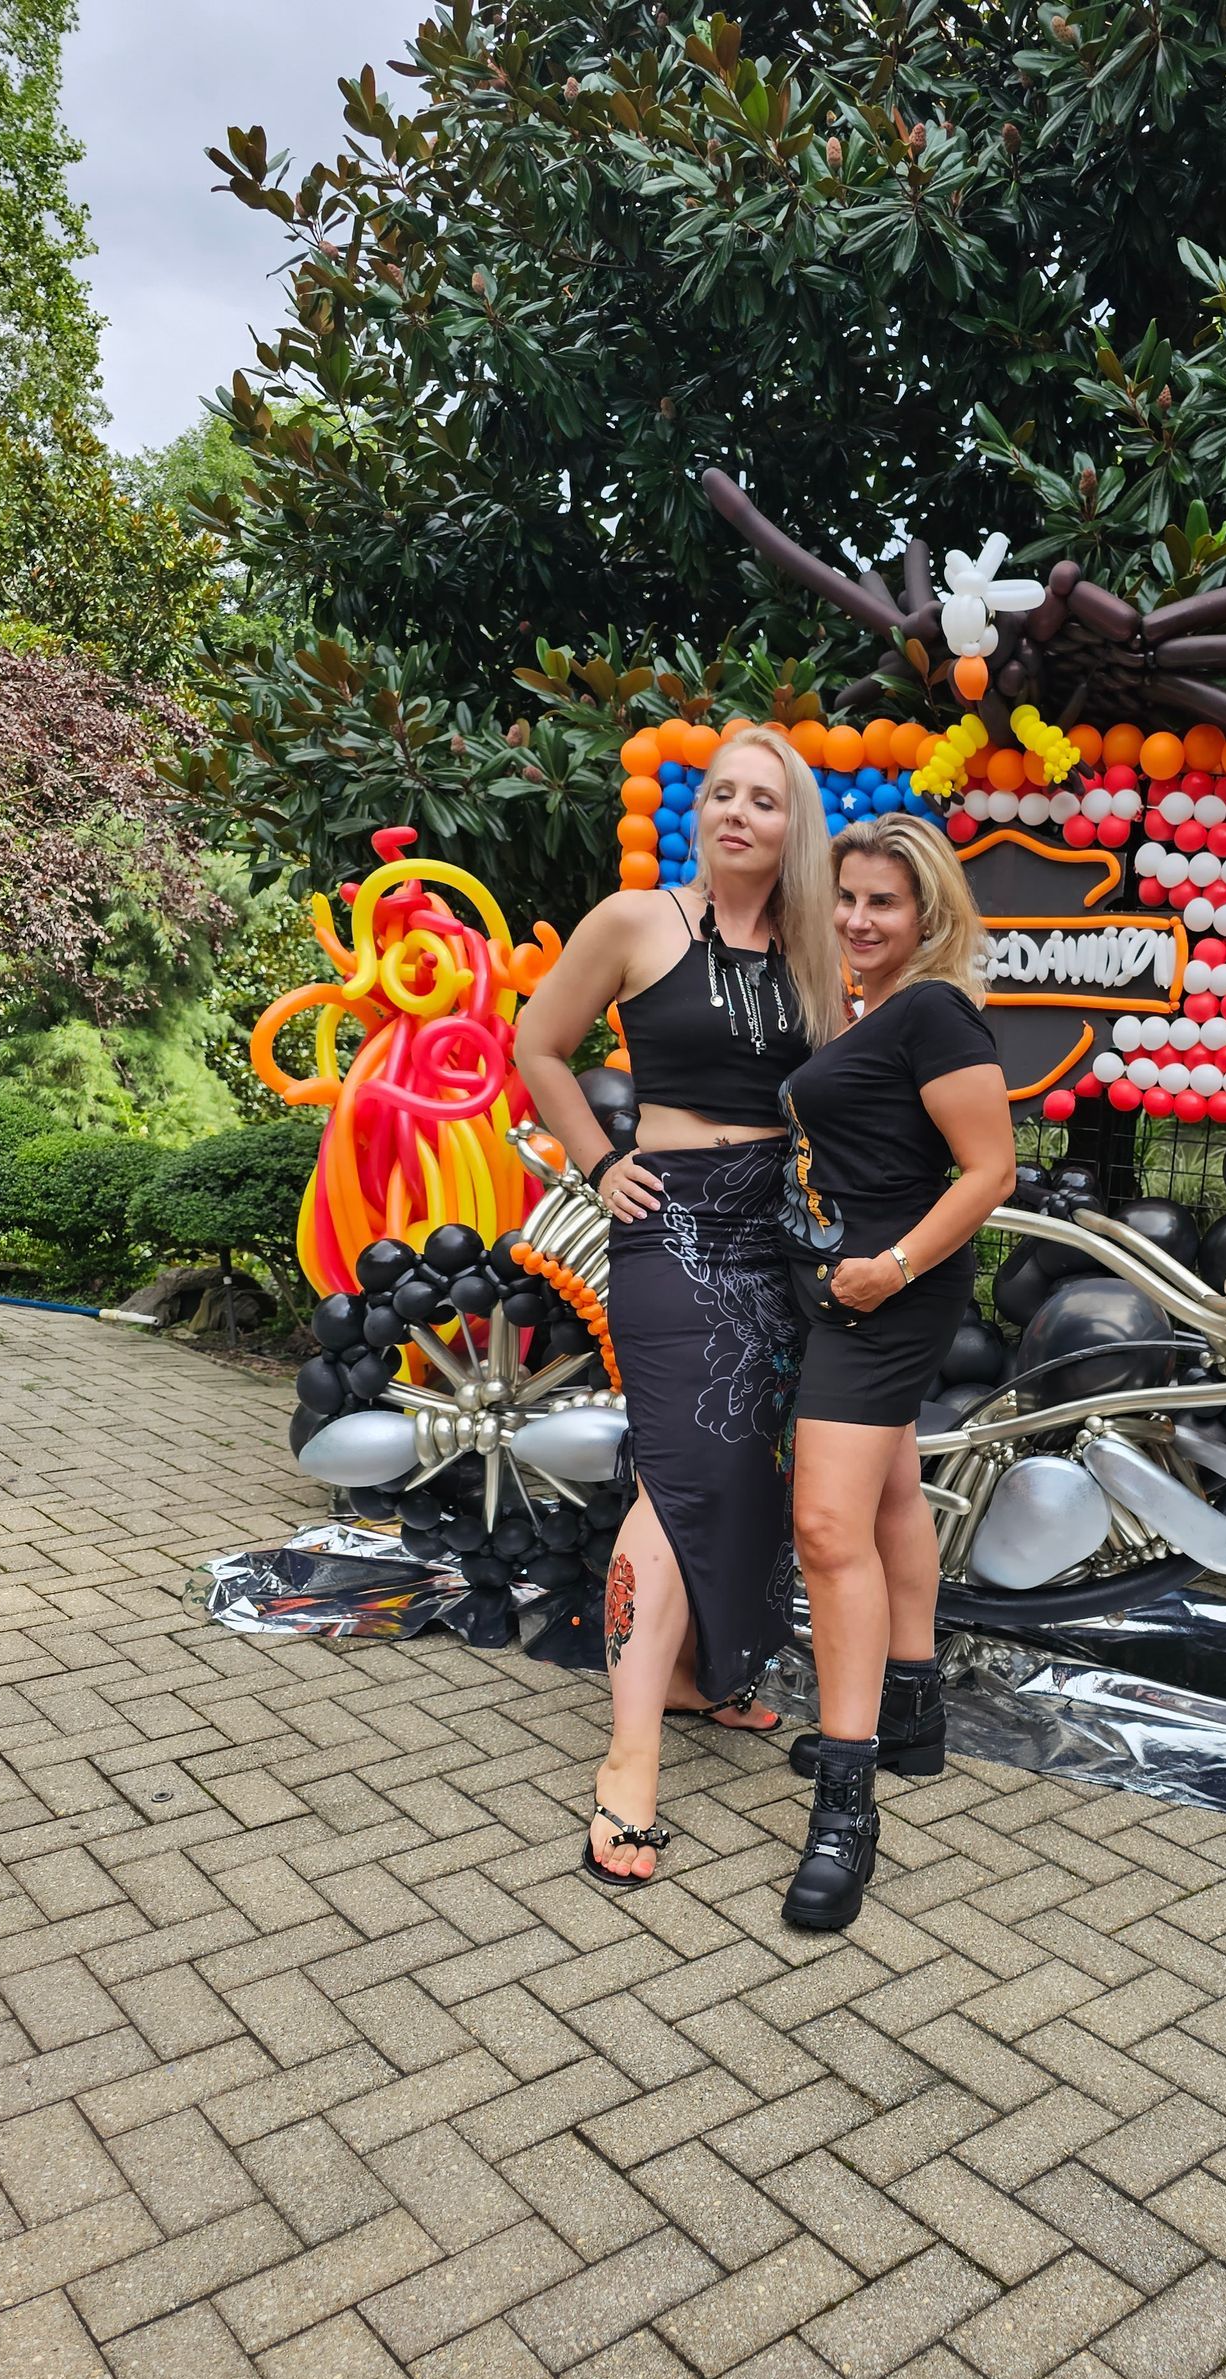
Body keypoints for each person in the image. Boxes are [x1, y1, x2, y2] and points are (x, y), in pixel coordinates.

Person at [513, 730, 845, 1887]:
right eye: (722, 794)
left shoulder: (816, 951)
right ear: (699, 813)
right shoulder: (635, 920)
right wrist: (598, 1160)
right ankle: (629, 1758)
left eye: (765, 800)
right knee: (679, 1471)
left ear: (792, 827)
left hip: (770, 1234)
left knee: (747, 1465)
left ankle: (705, 1678)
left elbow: (843, 1088)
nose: (738, 813)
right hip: (667, 1223)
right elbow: (539, 1045)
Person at [775, 812, 1016, 1930]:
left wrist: (891, 1268)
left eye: (885, 902)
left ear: (927, 914)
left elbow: (992, 1169)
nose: (860, 919)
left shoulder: (934, 1009)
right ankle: (911, 1708)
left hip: (888, 1290)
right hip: (861, 1280)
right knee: (886, 1495)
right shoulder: (868, 1009)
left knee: (827, 1528)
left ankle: (846, 1803)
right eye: (849, 898)